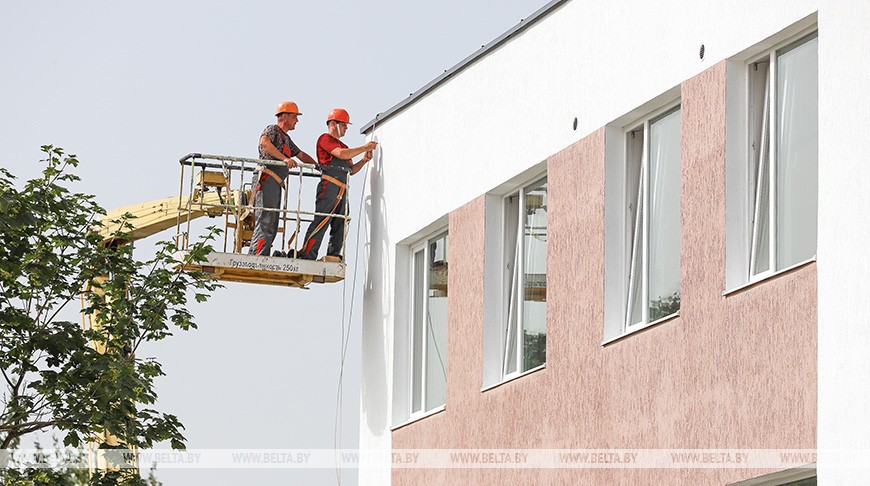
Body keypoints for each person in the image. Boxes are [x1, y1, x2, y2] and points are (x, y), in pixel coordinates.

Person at [299, 108, 377, 261]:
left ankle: (333, 255)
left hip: (342, 188)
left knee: (340, 223)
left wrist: (364, 160)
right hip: (329, 186)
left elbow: (351, 170)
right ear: (333, 124)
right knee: (322, 220)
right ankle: (307, 254)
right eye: (344, 124)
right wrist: (364, 148)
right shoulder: (325, 139)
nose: (346, 128)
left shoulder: (344, 146)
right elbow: (340, 154)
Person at [249, 101, 317, 256]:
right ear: (284, 116)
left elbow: (300, 155)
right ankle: (257, 254)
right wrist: (284, 159)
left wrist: (318, 167)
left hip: (274, 182)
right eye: (294, 116)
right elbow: (264, 143)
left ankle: (263, 253)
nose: (297, 121)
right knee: (265, 218)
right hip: (266, 178)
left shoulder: (286, 138)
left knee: (273, 220)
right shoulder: (272, 130)